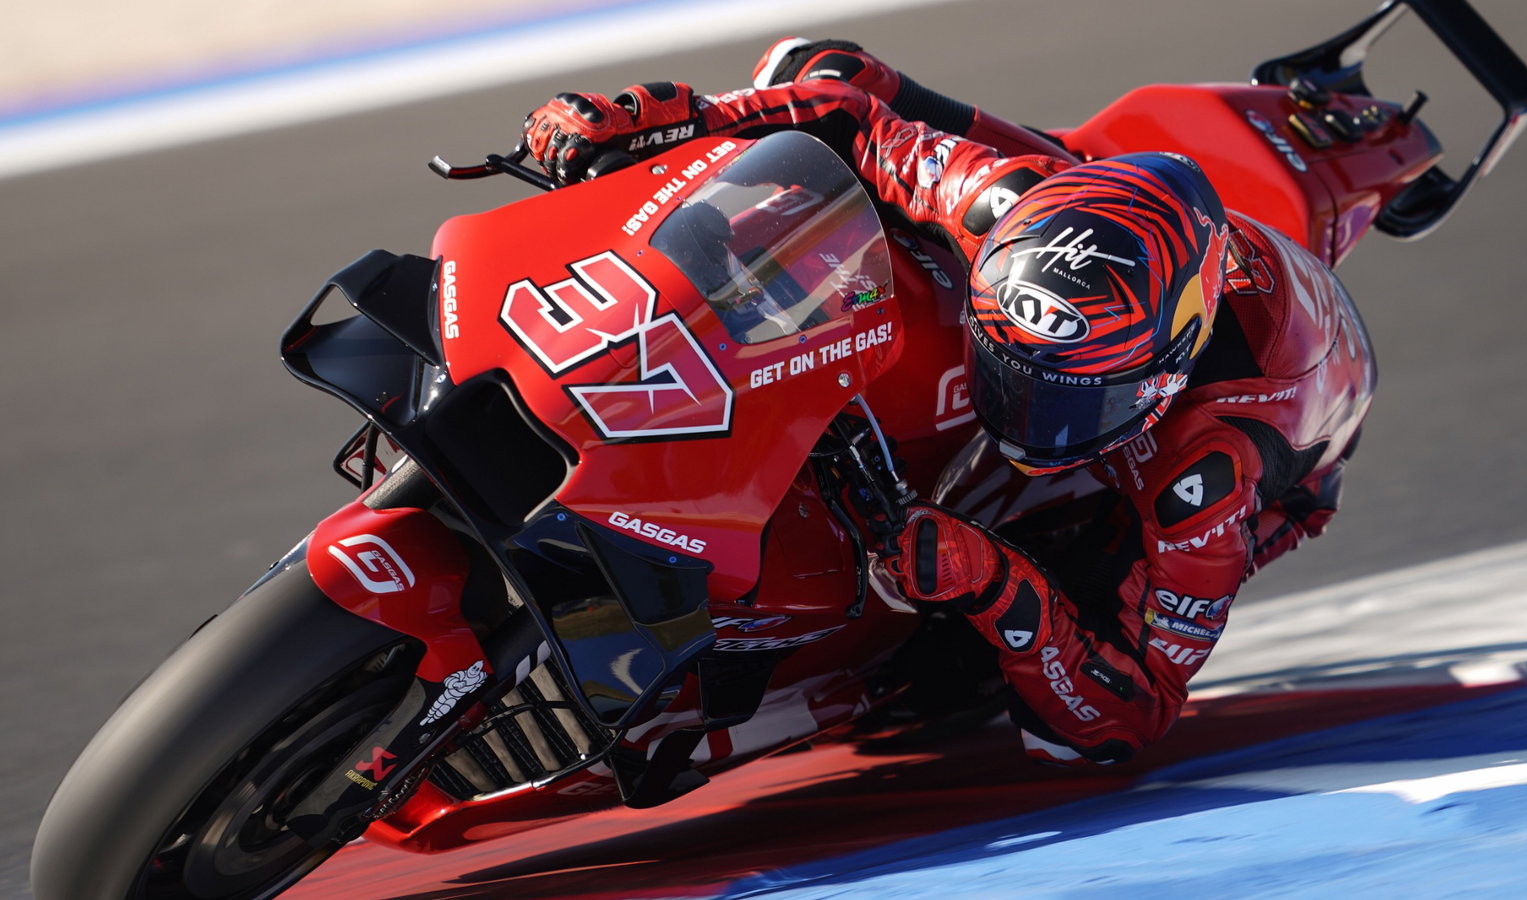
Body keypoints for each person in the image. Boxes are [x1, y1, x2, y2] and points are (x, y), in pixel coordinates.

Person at [522, 40, 1376, 766]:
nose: (1029, 417)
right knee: (818, 62)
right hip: (1091, 206)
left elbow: (1131, 717)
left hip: (1285, 470)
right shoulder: (997, 202)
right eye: (1015, 376)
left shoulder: (1210, 471)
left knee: (969, 689)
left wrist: (999, 590)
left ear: (1165, 368)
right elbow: (842, 110)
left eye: (1074, 400)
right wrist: (661, 115)